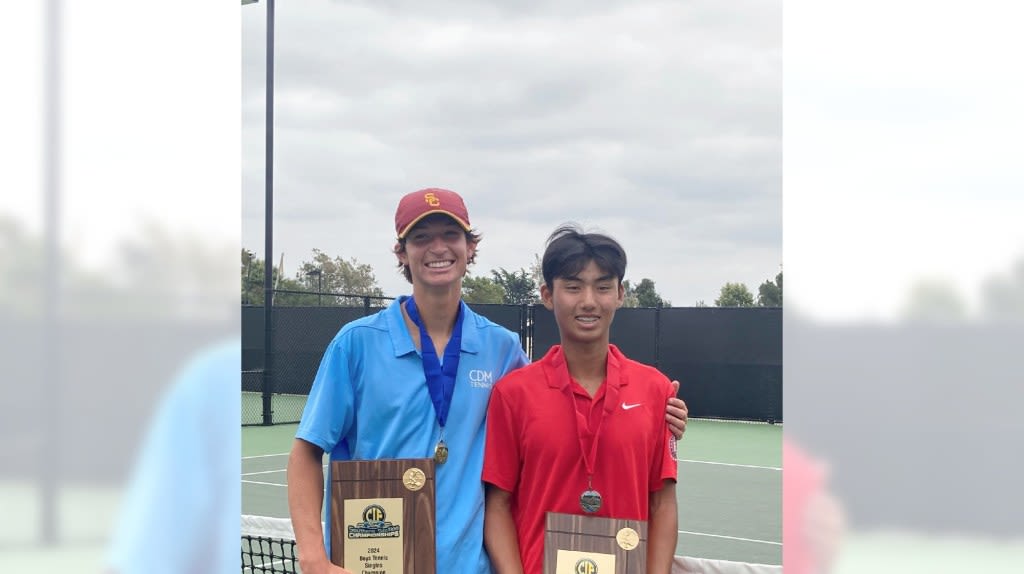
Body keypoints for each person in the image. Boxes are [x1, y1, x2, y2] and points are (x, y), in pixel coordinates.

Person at [287, 189, 688, 574]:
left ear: (470, 248)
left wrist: (657, 413)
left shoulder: (501, 348)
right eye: (421, 237)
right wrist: (312, 556)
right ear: (402, 253)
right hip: (375, 561)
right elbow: (307, 450)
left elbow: (562, 401)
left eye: (451, 235)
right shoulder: (355, 344)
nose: (438, 248)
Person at [482, 224, 678, 574]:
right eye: (573, 287)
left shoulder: (656, 390)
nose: (588, 301)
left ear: (620, 294)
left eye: (602, 287)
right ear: (547, 294)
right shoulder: (512, 394)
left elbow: (662, 503)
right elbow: (498, 505)